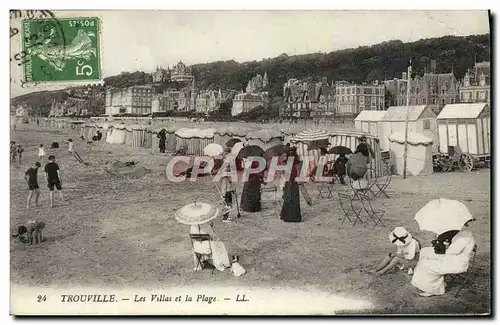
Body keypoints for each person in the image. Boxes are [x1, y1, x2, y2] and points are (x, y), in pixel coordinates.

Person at [411, 218, 476, 297]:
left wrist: (446, 245)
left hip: (456, 263)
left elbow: (452, 251)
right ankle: (425, 280)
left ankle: (432, 289)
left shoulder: (464, 237)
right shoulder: (461, 233)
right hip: (452, 258)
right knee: (425, 251)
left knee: (425, 264)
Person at [280, 154, 302, 222]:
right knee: (292, 200)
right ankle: (292, 217)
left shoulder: (288, 167)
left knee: (289, 199)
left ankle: (287, 216)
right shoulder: (292, 168)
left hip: (289, 185)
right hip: (292, 185)